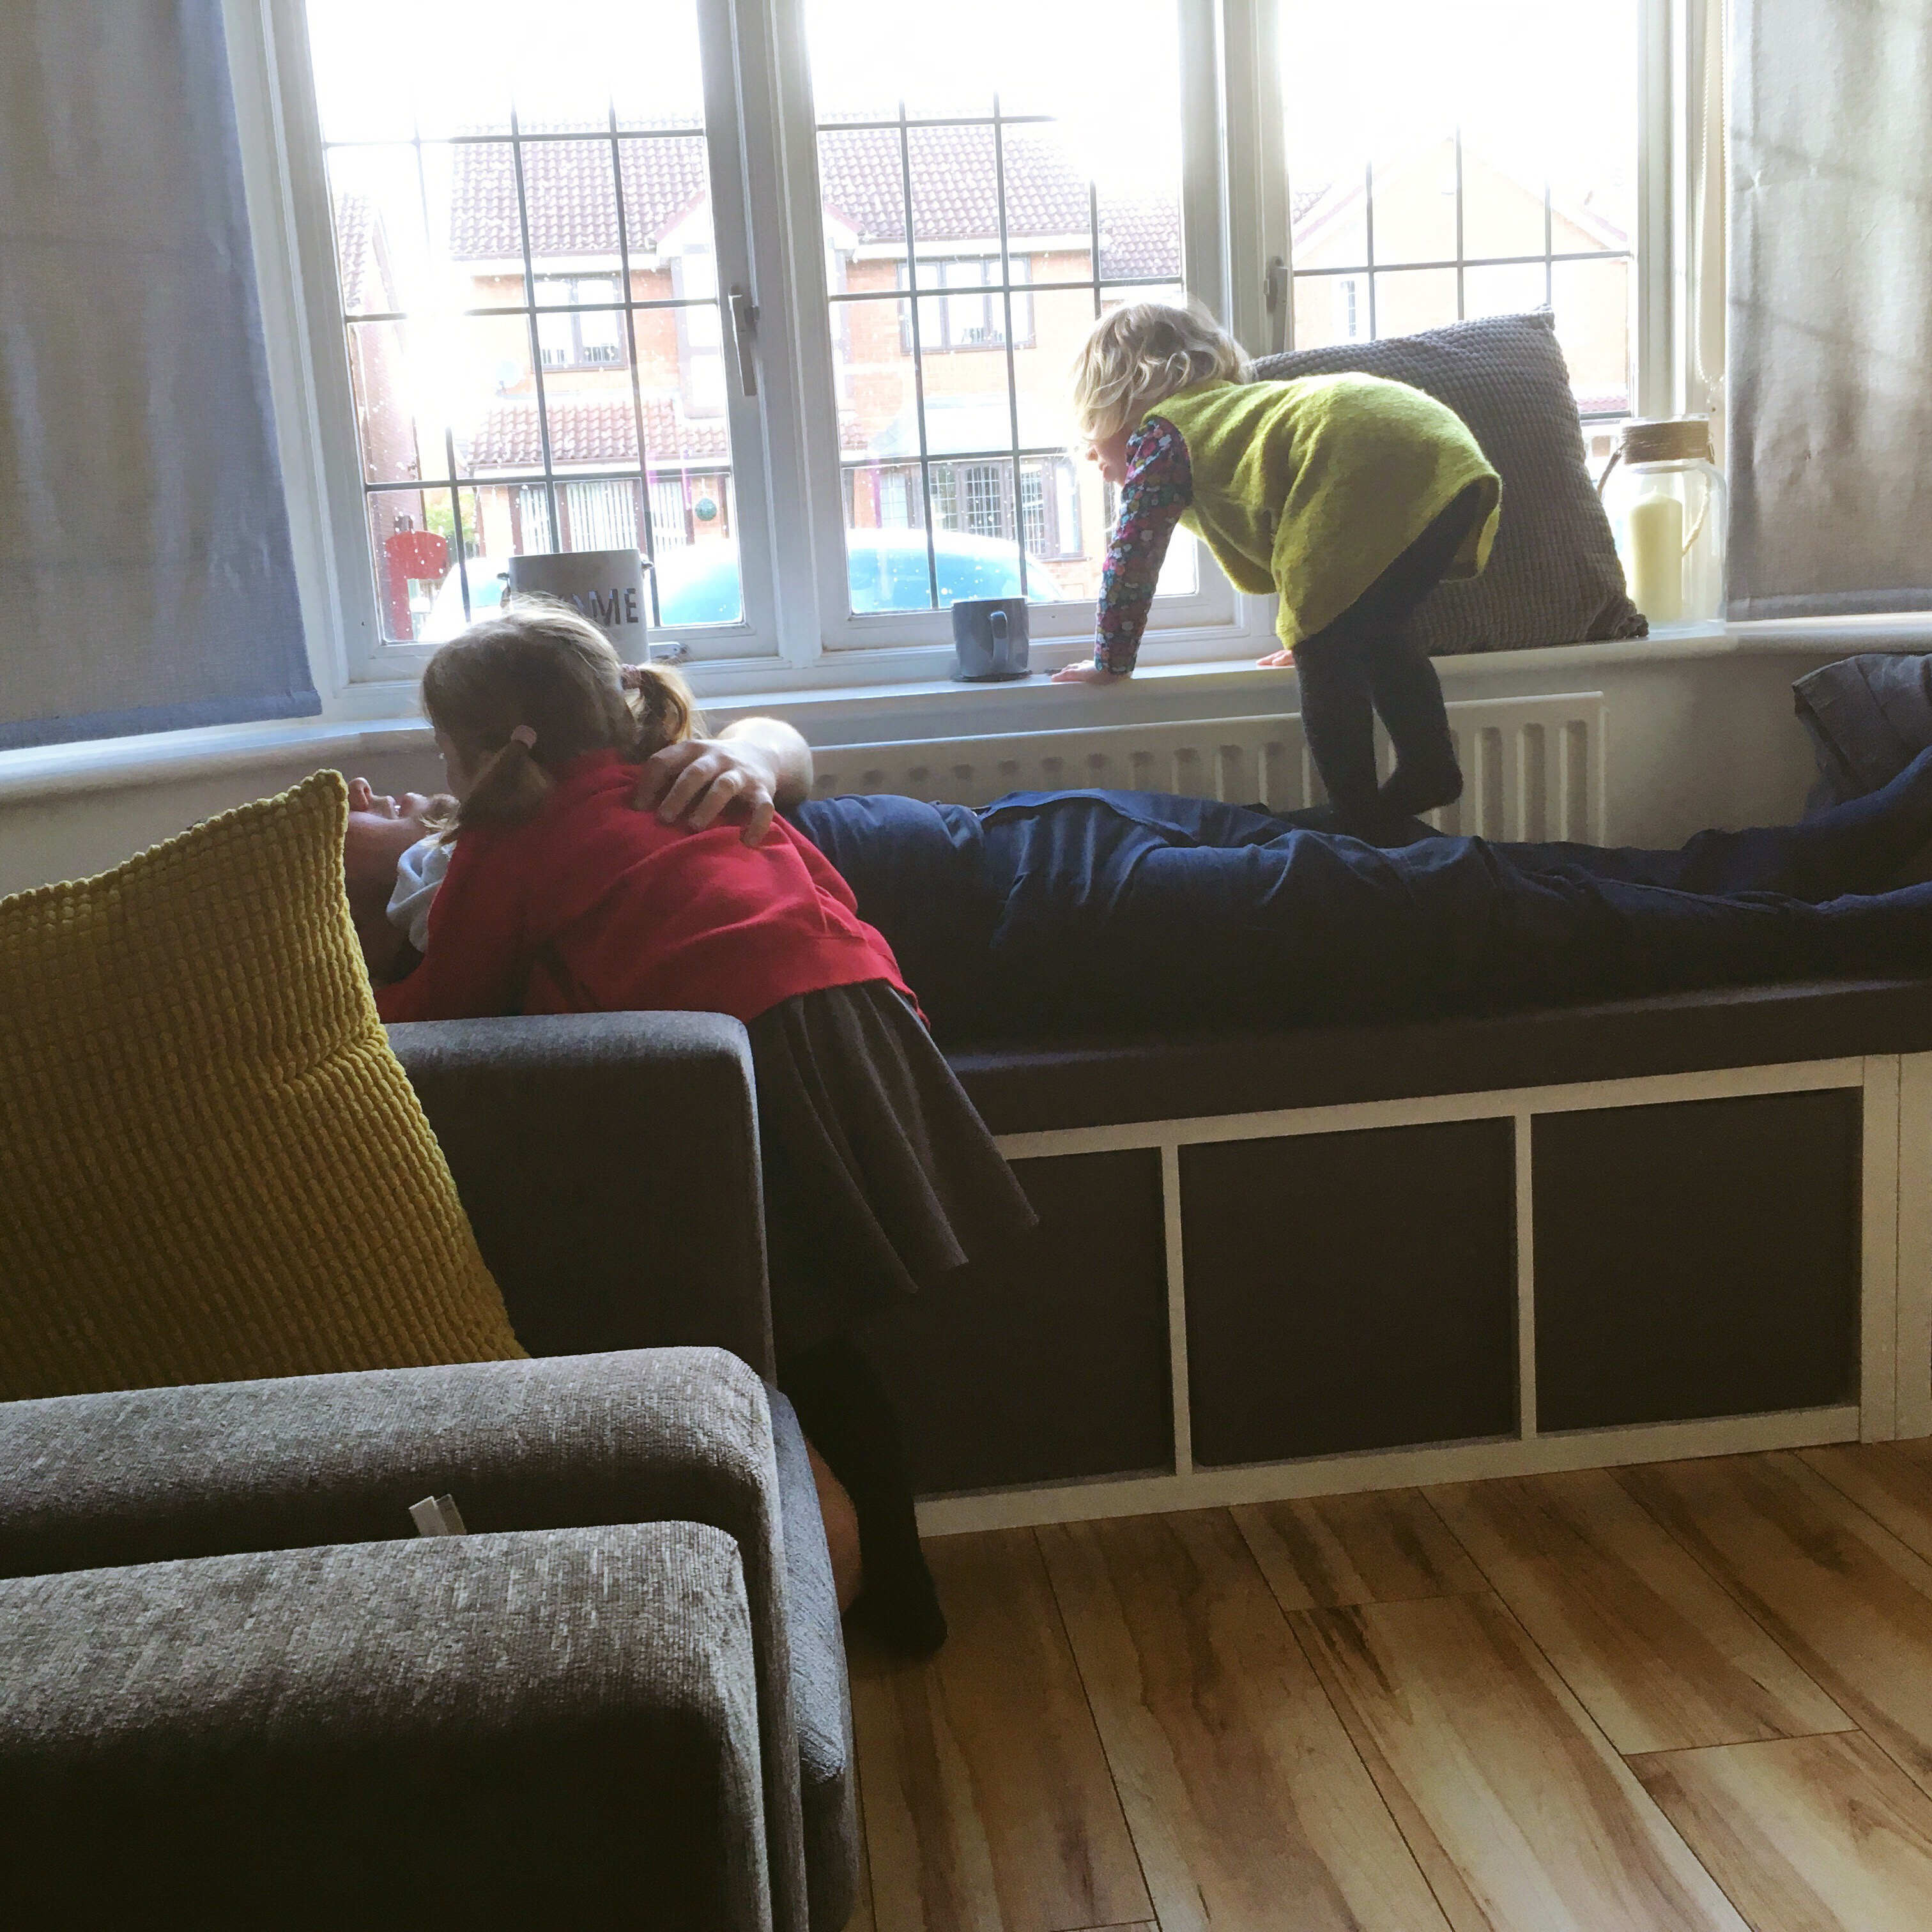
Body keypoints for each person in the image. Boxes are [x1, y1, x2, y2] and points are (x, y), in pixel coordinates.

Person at [349, 601, 1037, 1657]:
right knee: (816, 1340)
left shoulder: (510, 838)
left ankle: (892, 1598)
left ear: (491, 750)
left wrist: (353, 1000)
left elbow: (447, 1001)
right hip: (853, 1014)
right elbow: (821, 885)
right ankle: (882, 1583)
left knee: (790, 1346)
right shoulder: (685, 780)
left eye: (444, 750)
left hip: (740, 1049)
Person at [1052, 300, 1502, 839]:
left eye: (1092, 433)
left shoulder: (1162, 433)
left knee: (1325, 646)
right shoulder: (1235, 417)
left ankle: (1355, 819)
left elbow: (1133, 552)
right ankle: (1429, 766)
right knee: (1376, 632)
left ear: (1127, 396)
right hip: (1441, 453)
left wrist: (1111, 660)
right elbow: (1326, 556)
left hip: (1362, 447)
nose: (1093, 457)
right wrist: (1329, 624)